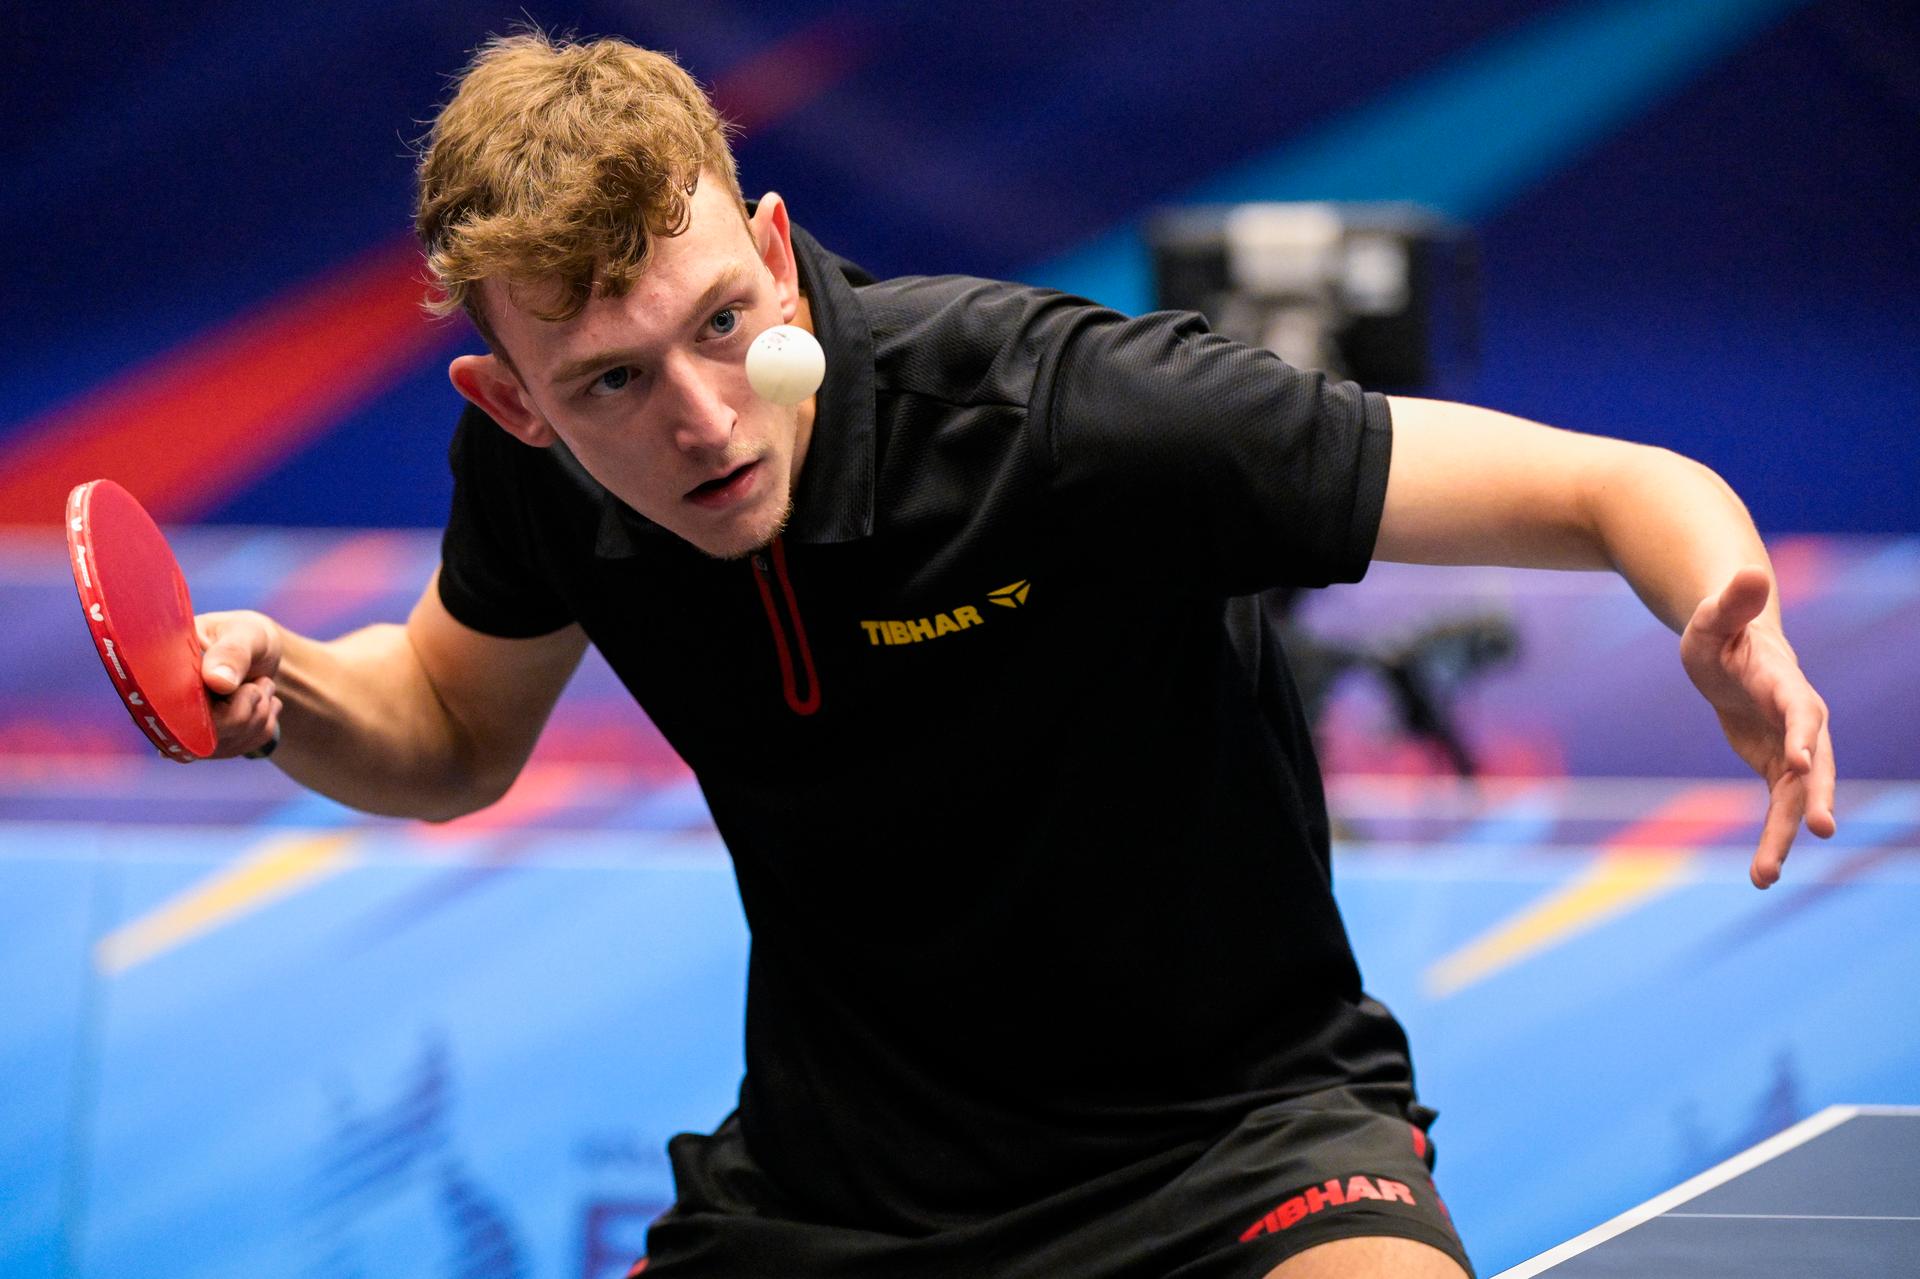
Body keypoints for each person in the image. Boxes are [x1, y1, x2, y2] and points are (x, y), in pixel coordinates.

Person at [193, 32, 1837, 1279]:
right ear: (516, 406)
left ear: (774, 252)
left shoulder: (1055, 416)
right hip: (838, 1196)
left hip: (1243, 1142)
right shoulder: (539, 489)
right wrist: (288, 696)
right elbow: (448, 732)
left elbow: (1610, 485)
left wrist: (1720, 596)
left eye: (717, 324)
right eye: (612, 382)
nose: (699, 420)